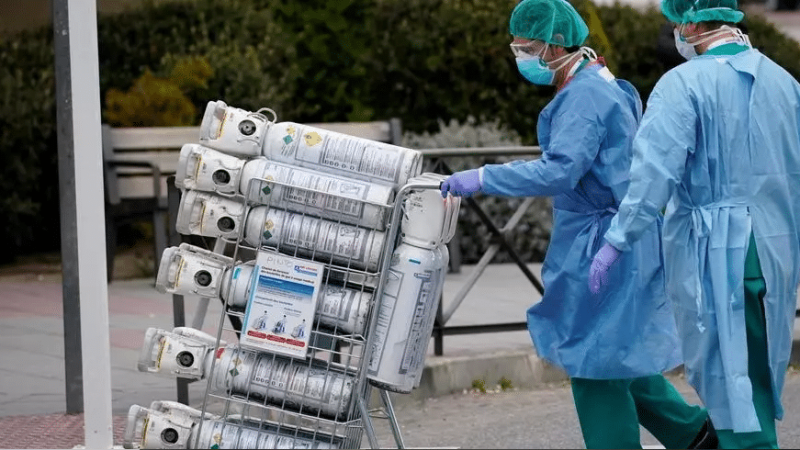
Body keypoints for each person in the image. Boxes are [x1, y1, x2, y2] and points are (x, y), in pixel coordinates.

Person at [440, 0, 715, 447]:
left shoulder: (584, 96)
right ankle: (695, 435)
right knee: (620, 353)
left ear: (553, 46)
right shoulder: (604, 83)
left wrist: (484, 176)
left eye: (526, 47)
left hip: (600, 243)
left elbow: (559, 171)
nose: (521, 56)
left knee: (594, 364)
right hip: (622, 235)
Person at [589, 0, 800, 447]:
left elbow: (651, 177)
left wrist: (617, 242)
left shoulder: (681, 84)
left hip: (718, 252)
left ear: (690, 22)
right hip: (775, 245)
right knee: (757, 375)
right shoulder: (784, 82)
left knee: (729, 383)